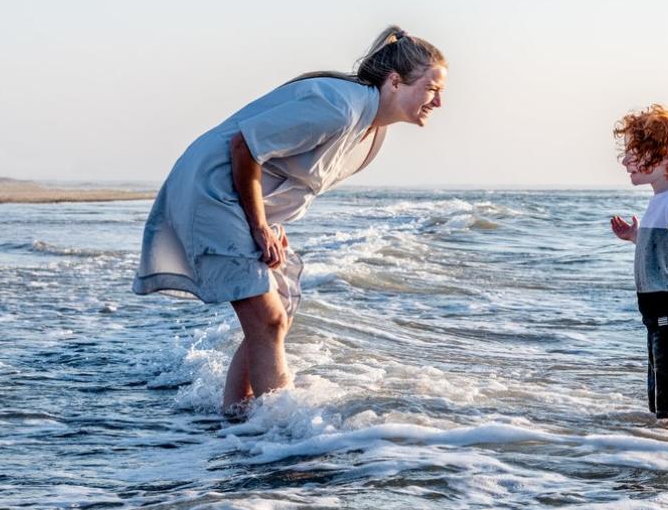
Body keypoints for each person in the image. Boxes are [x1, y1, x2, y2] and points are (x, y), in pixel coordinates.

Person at [134, 26, 447, 417]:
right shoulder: (340, 107)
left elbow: (286, 171)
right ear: (396, 82)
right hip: (212, 190)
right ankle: (275, 434)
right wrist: (258, 225)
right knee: (268, 319)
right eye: (433, 89)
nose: (439, 102)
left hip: (241, 196)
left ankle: (237, 420)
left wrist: (270, 222)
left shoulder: (371, 133)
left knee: (277, 313)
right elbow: (244, 146)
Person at [608, 104, 668, 434]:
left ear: (664, 156)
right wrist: (634, 236)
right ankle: (666, 449)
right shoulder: (658, 200)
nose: (625, 161)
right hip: (660, 308)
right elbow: (660, 245)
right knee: (661, 391)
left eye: (633, 152)